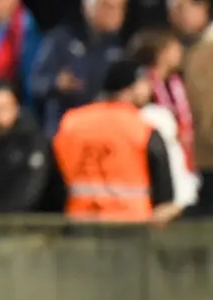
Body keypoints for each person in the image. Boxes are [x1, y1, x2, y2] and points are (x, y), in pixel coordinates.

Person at [52, 60, 179, 223]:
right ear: (130, 88)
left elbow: (54, 176)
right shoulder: (142, 128)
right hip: (131, 223)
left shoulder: (71, 123)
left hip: (80, 220)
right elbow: (163, 191)